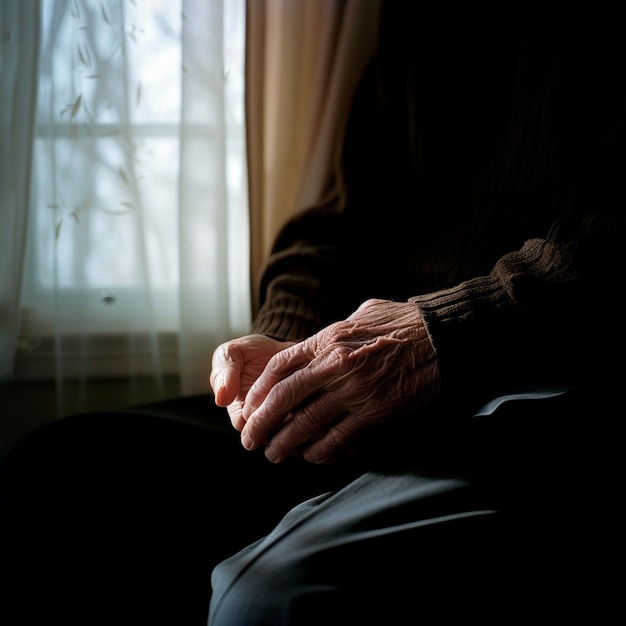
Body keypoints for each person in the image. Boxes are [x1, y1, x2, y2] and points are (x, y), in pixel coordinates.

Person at [1, 2, 624, 625]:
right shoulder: (429, 21)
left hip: (541, 380)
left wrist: (438, 334)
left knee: (269, 597)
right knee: (48, 474)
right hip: (378, 373)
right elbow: (337, 223)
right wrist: (287, 343)